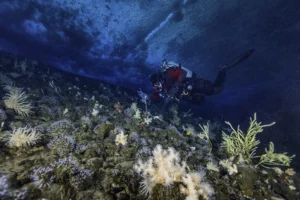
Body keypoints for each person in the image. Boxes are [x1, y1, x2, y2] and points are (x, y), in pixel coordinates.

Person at [149, 49, 255, 106]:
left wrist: (176, 86)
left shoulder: (168, 74)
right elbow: (156, 95)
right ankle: (199, 97)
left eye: (156, 84)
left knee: (217, 89)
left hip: (193, 85)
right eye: (154, 86)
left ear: (160, 79)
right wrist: (149, 99)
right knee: (200, 102)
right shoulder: (162, 88)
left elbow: (182, 73)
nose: (156, 87)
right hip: (191, 93)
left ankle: (223, 71)